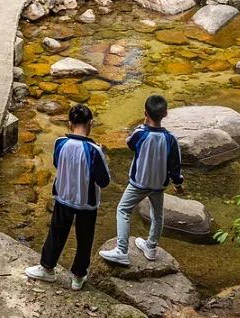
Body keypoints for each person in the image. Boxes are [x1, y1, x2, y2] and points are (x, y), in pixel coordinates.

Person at [25, 104, 110, 290]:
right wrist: (104, 155)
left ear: (69, 123)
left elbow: (57, 163)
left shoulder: (60, 143)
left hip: (63, 196)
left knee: (56, 232)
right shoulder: (94, 151)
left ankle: (47, 268)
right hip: (87, 203)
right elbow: (104, 181)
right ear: (91, 123)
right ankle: (78, 276)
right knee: (85, 238)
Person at [99, 94, 184, 265]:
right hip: (159, 184)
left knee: (123, 209)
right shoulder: (170, 139)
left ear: (145, 113)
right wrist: (178, 183)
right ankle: (151, 247)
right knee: (157, 215)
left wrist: (143, 124)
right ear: (166, 114)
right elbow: (176, 165)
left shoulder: (140, 133)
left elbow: (129, 143)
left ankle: (122, 250)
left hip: (139, 183)